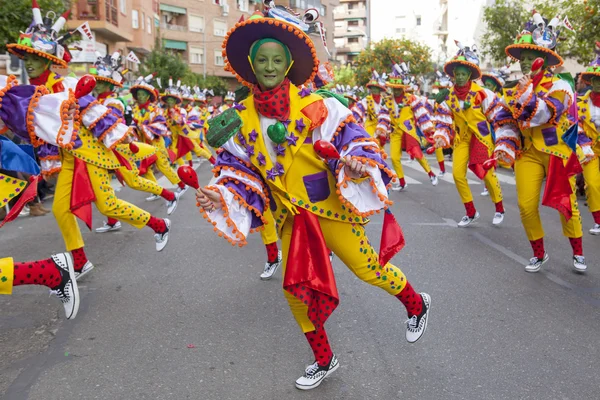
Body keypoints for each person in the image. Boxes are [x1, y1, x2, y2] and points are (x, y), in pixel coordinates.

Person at [195, 7, 431, 390]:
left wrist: (356, 164)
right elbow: (239, 173)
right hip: (293, 219)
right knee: (295, 293)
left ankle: (416, 304)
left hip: (330, 209)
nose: (269, 67)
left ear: (288, 64)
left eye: (277, 60)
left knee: (367, 269)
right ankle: (324, 358)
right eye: (262, 60)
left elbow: (354, 138)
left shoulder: (321, 105)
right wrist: (218, 195)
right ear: (251, 65)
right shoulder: (239, 120)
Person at [7, 2, 172, 280]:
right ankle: (81, 262)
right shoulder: (30, 93)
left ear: (49, 60)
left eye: (35, 57)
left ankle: (159, 224)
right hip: (70, 158)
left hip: (91, 154)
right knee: (60, 209)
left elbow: (99, 116)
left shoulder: (68, 86)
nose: (30, 63)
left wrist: (123, 143)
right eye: (26, 58)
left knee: (108, 204)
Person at [494, 11, 587, 272]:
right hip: (528, 152)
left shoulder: (562, 85)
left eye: (529, 57)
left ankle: (578, 253)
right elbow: (505, 119)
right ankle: (539, 253)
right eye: (521, 58)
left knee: (566, 205)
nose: (524, 62)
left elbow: (546, 113)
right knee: (524, 205)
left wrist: (525, 94)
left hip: (556, 151)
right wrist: (505, 143)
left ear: (544, 60)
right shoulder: (513, 89)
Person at [90, 53, 181, 233]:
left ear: (110, 83)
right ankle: (112, 221)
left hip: (119, 149)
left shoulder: (114, 102)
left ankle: (171, 194)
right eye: (96, 81)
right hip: (103, 151)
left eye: (101, 81)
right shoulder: (97, 101)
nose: (97, 84)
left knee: (136, 179)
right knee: (103, 188)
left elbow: (112, 128)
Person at [432, 42, 506, 227]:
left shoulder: (482, 93)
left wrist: (503, 140)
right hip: (462, 139)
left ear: (470, 75)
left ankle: (499, 208)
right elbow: (444, 120)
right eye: (457, 74)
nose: (460, 77)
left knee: (487, 174)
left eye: (464, 74)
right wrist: (441, 136)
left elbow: (497, 116)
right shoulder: (447, 96)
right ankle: (471, 212)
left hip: (481, 137)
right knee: (457, 175)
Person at [376, 63, 438, 190]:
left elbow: (421, 114)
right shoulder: (387, 100)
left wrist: (428, 128)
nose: (396, 91)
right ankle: (402, 182)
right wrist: (382, 129)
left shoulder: (411, 99)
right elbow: (383, 116)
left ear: (403, 88)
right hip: (395, 132)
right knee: (394, 157)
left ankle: (431, 174)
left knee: (417, 153)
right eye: (394, 88)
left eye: (399, 88)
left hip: (409, 131)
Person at [575, 52, 600, 235]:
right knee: (591, 184)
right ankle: (598, 221)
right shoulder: (580, 102)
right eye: (595, 79)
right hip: (589, 148)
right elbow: (576, 124)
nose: (598, 83)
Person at [354, 70, 389, 138]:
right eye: (372, 88)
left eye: (376, 88)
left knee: (380, 146)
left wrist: (382, 128)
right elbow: (357, 112)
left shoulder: (384, 100)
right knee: (370, 143)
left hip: (381, 126)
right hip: (369, 126)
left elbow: (386, 115)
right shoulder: (366, 100)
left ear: (380, 90)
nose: (374, 90)